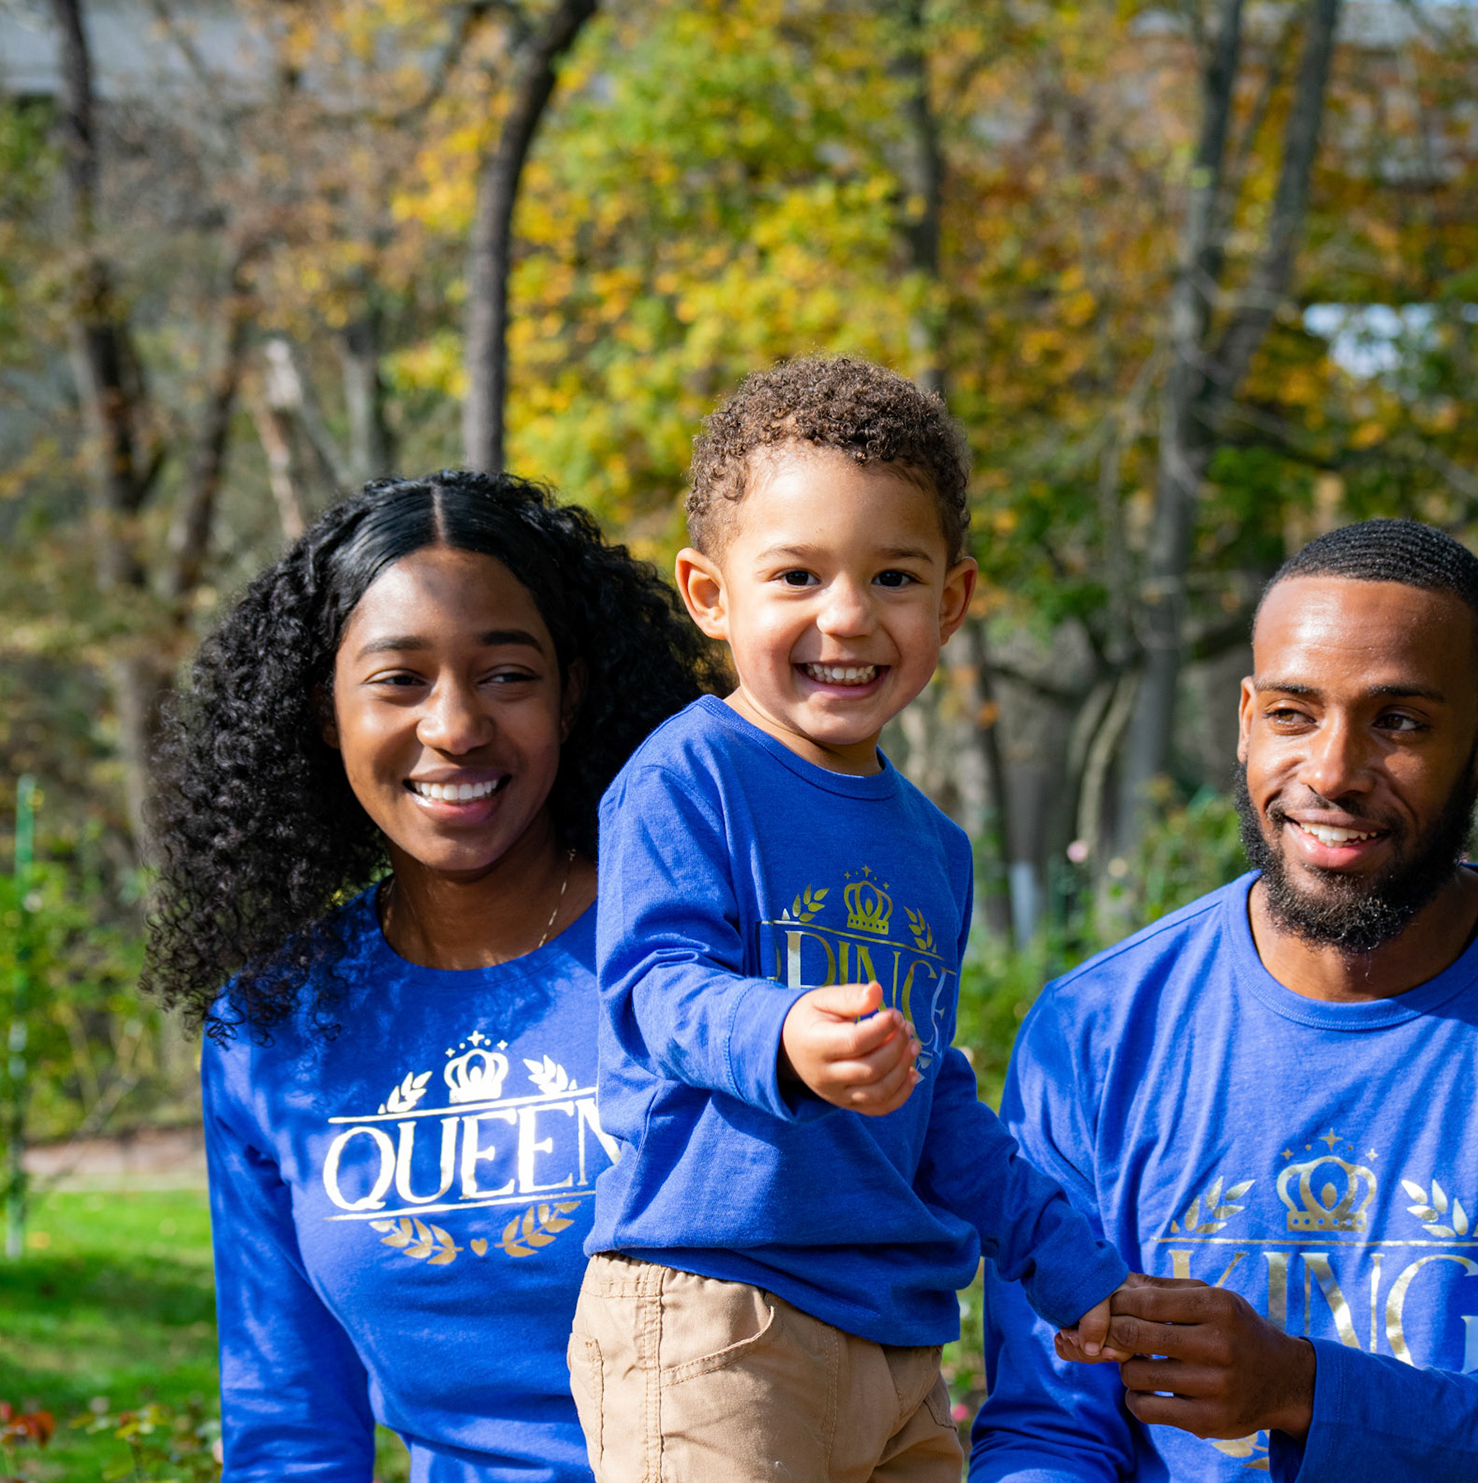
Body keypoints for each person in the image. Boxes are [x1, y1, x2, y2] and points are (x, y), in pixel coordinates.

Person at [971, 519, 1478, 1482]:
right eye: (1293, 713)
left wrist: (1299, 1387)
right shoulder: (1095, 1031)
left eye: (1398, 722)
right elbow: (1050, 1430)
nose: (1330, 772)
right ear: (1246, 720)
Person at [573, 356, 1131, 1482]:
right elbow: (656, 988)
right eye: (796, 574)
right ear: (709, 594)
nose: (847, 616)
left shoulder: (935, 846)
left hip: (898, 1345)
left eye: (893, 576)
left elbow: (934, 1095)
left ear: (951, 602)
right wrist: (783, 1030)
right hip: (721, 1312)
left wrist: (1066, 1261)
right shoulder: (688, 776)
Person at [141, 471, 720, 1482]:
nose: (454, 725)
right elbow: (290, 1424)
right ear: (324, 711)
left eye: (507, 675)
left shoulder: (692, 950)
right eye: (399, 679)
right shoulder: (276, 1025)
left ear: (572, 694)